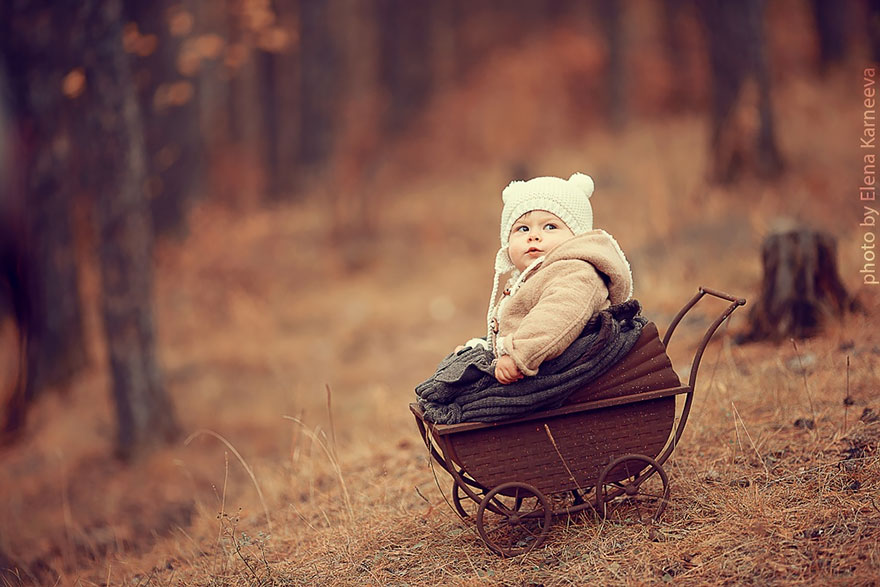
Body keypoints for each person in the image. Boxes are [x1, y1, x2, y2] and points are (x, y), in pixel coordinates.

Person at [459, 172, 634, 384]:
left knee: (463, 391)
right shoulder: (527, 278)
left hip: (564, 372)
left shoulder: (576, 271)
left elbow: (555, 317)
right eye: (522, 228)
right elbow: (518, 322)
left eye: (550, 227)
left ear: (576, 237)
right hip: (536, 363)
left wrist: (518, 355)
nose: (533, 236)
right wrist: (488, 347)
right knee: (458, 366)